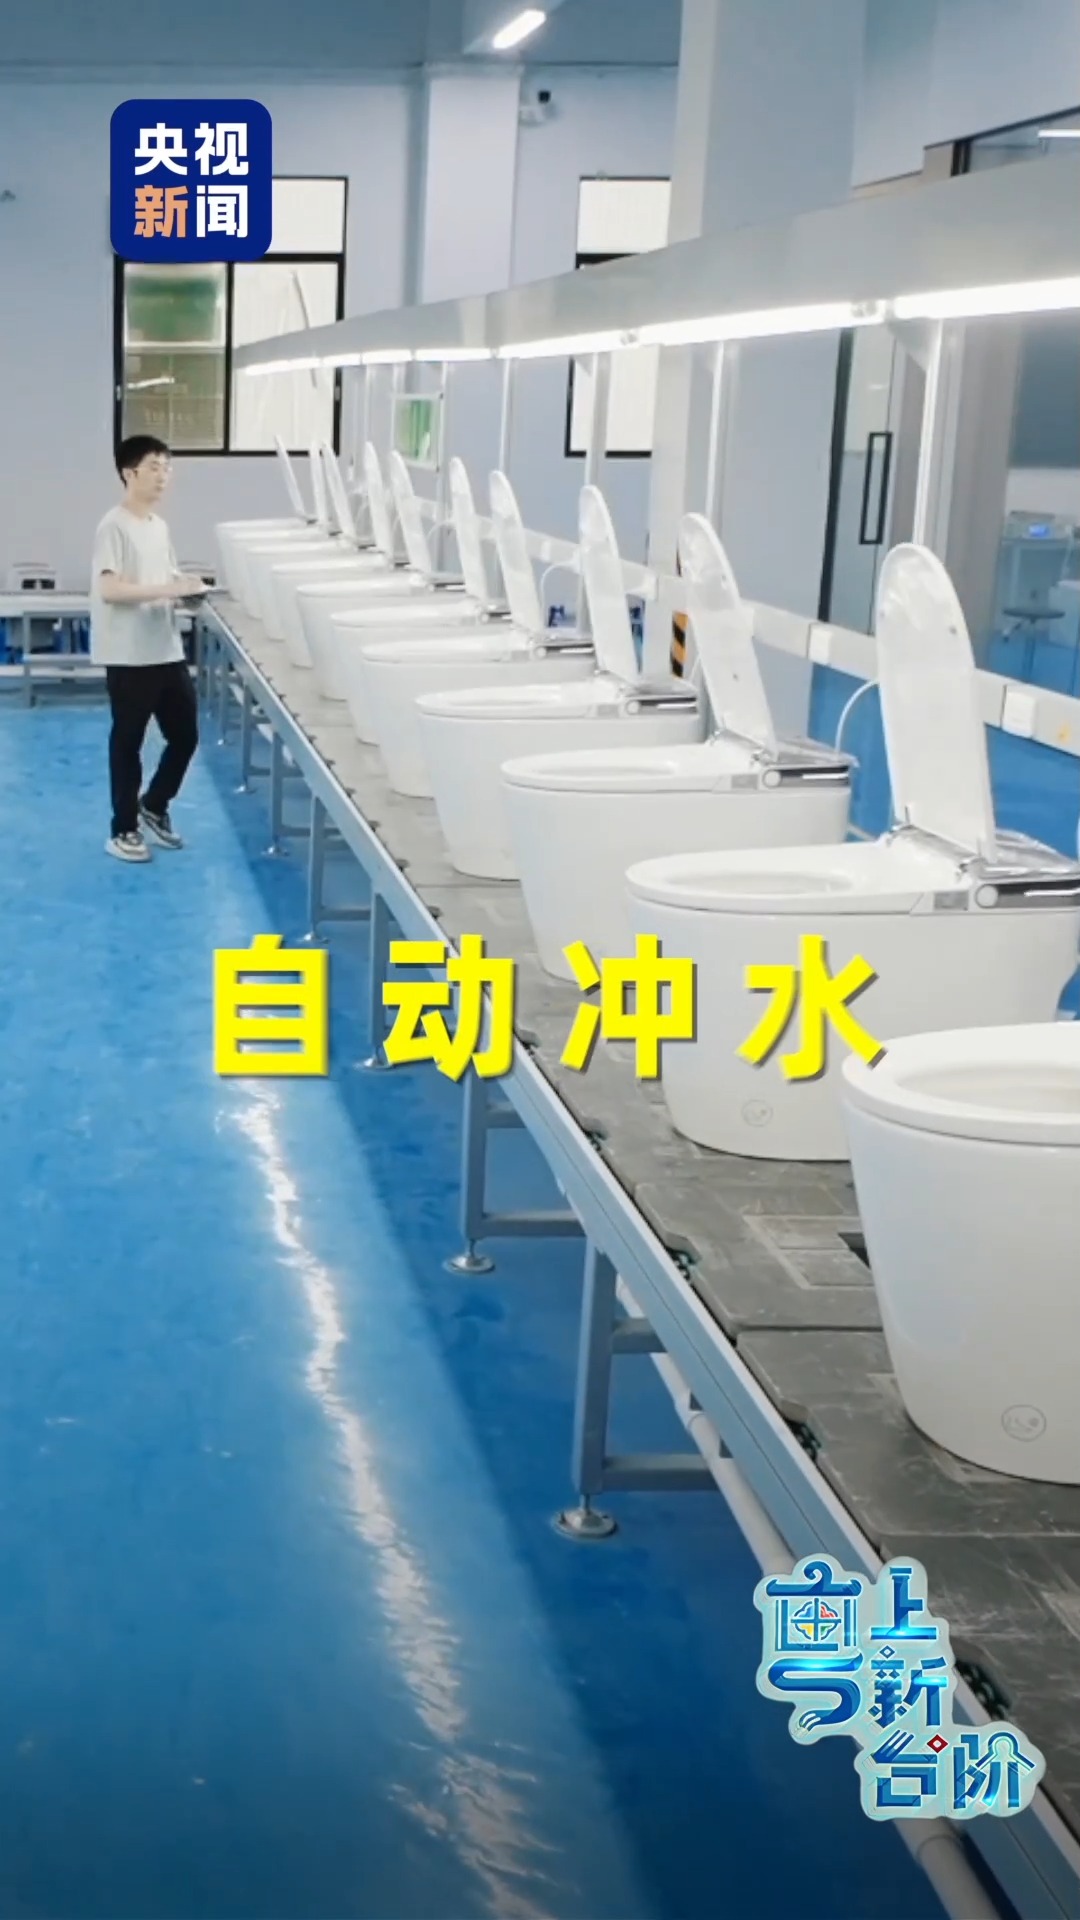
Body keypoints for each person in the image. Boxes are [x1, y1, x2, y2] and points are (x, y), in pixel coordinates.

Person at [90, 434, 206, 863]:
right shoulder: (113, 525)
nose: (162, 476)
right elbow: (110, 589)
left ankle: (154, 805)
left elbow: (166, 578)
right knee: (128, 742)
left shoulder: (159, 527)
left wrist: (187, 590)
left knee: (185, 736)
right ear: (129, 473)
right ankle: (123, 830)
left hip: (165, 648)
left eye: (166, 468)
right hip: (129, 653)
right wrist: (167, 590)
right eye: (153, 467)